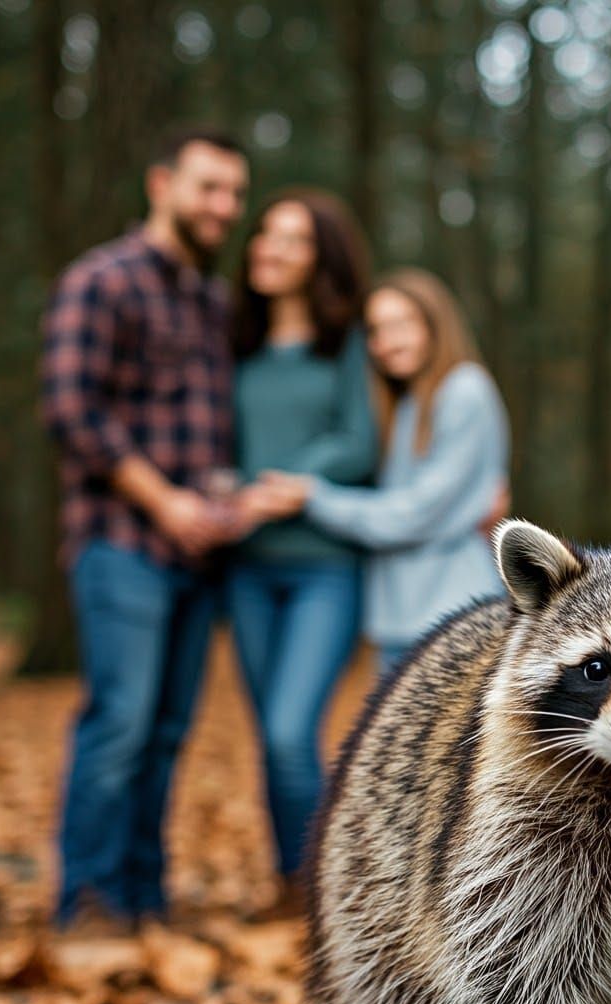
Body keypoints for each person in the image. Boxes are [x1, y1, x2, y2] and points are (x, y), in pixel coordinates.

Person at [40, 127, 249, 929]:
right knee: (119, 723)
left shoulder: (214, 302)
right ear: (162, 183)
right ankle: (87, 902)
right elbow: (71, 412)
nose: (224, 207)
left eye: (234, 192)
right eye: (208, 187)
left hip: (201, 563)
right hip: (121, 545)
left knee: (164, 734)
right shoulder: (102, 280)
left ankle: (141, 896)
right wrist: (165, 502)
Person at [245, 267, 510, 678]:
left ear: (435, 325)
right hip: (401, 618)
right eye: (377, 330)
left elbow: (411, 516)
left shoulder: (464, 391)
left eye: (403, 325)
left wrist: (313, 497)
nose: (387, 342)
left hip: (455, 615)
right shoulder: (405, 405)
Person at [223, 189, 377, 889]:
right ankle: (295, 883)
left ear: (323, 258)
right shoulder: (237, 343)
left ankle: (325, 888)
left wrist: (286, 483)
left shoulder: (347, 342)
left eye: (292, 239)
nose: (269, 248)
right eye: (264, 233)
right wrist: (228, 486)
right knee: (270, 741)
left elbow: (358, 440)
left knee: (291, 734)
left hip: (325, 570)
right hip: (247, 568)